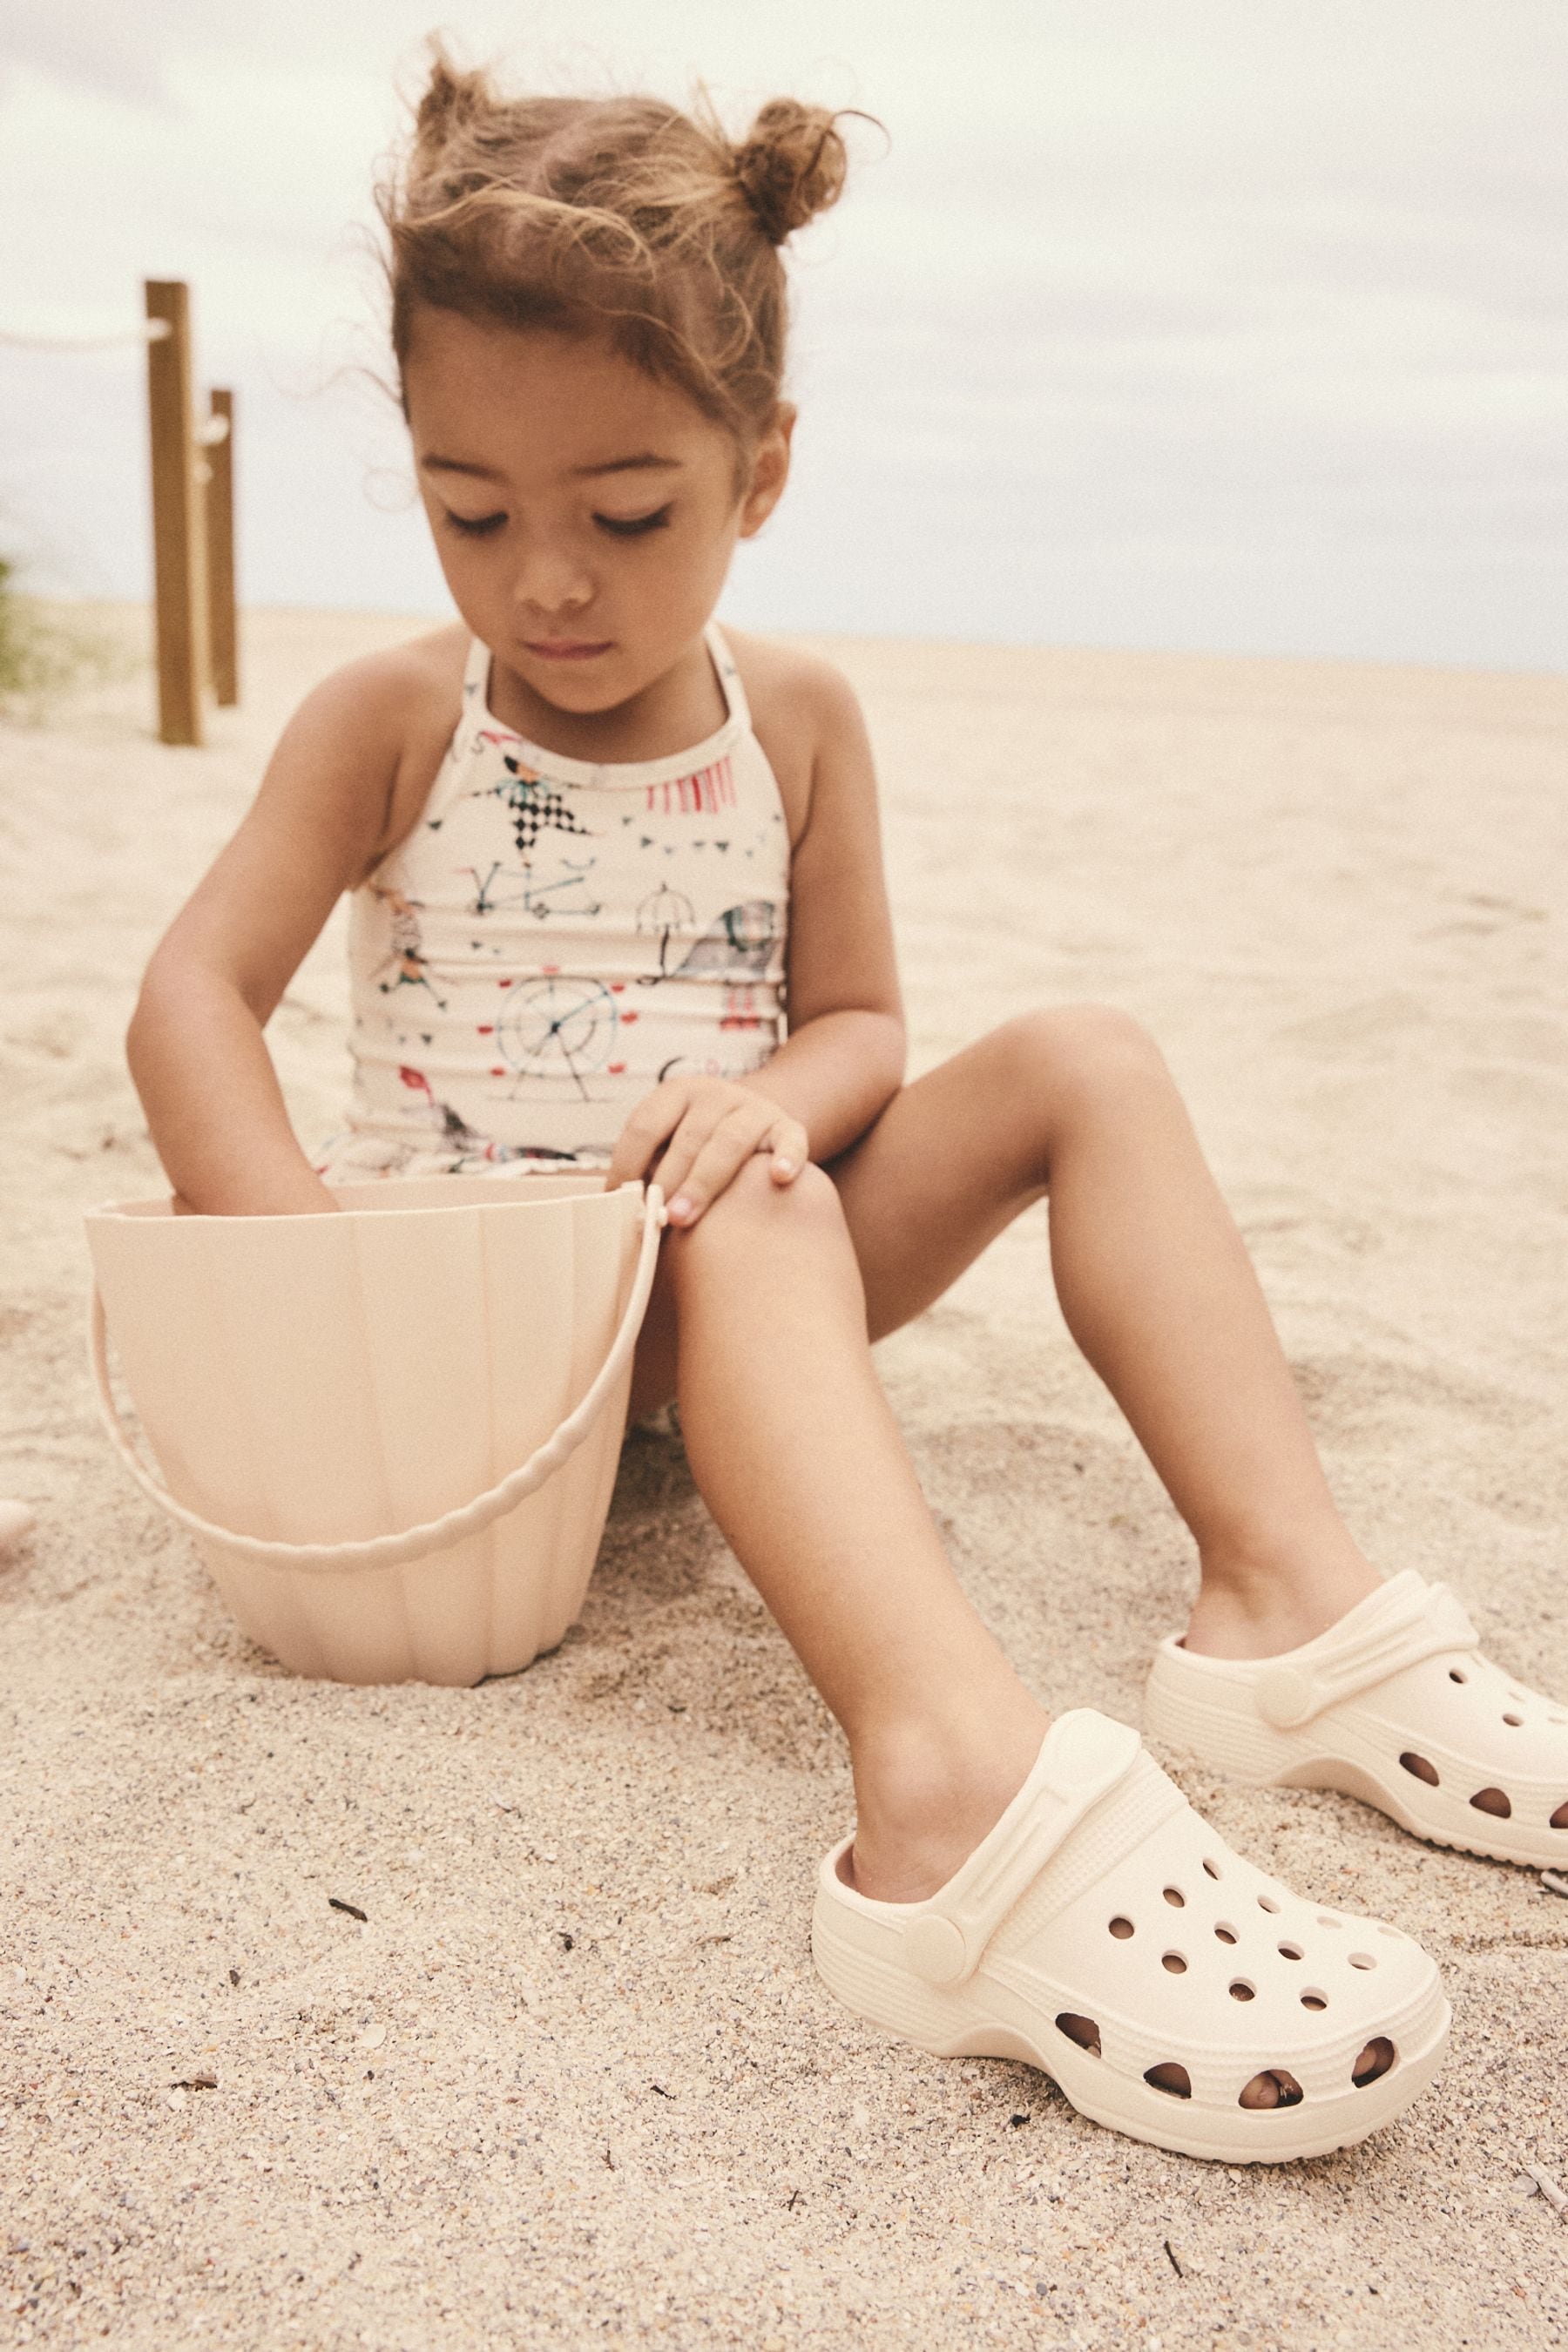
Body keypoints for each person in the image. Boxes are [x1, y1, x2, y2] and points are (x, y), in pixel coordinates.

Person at [126, 47, 1565, 2164]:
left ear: (762, 468)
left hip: (732, 1300)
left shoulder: (793, 722)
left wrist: (770, 1100)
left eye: (630, 514)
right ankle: (950, 1786)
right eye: (470, 511)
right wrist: (304, 1269)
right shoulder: (388, 723)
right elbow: (188, 994)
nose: (548, 581)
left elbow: (867, 1022)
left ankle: (1289, 1604)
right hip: (467, 1326)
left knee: (1076, 1058)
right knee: (759, 1210)